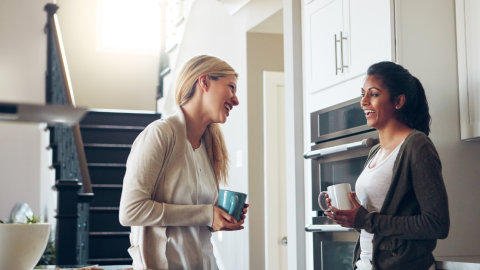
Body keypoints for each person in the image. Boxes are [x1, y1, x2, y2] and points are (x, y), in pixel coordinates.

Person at [119, 55, 249, 270]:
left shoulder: (210, 146)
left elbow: (190, 224)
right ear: (204, 82)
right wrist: (206, 214)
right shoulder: (160, 134)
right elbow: (131, 211)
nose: (236, 100)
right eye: (231, 87)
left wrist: (218, 218)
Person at [325, 61, 449, 270]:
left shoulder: (417, 146)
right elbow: (376, 225)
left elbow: (437, 224)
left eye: (373, 94)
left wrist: (366, 219)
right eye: (362, 94)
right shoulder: (375, 152)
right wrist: (353, 217)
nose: (363, 102)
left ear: (398, 101)